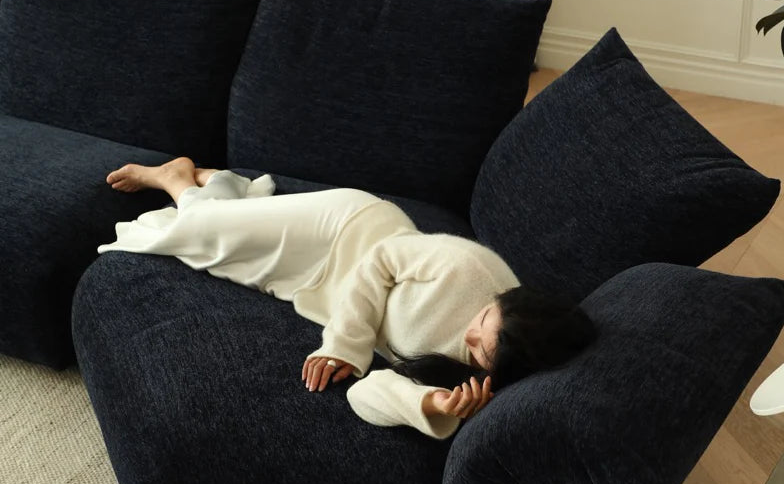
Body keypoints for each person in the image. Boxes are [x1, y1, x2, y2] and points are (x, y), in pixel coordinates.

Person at [99, 158, 596, 439]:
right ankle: (176, 178)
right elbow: (381, 259)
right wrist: (344, 346)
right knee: (195, 232)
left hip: (321, 290)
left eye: (479, 350)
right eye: (484, 317)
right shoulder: (474, 270)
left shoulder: (477, 382)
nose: (468, 333)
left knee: (211, 254)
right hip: (345, 231)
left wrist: (433, 403)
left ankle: (211, 184)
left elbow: (364, 395)